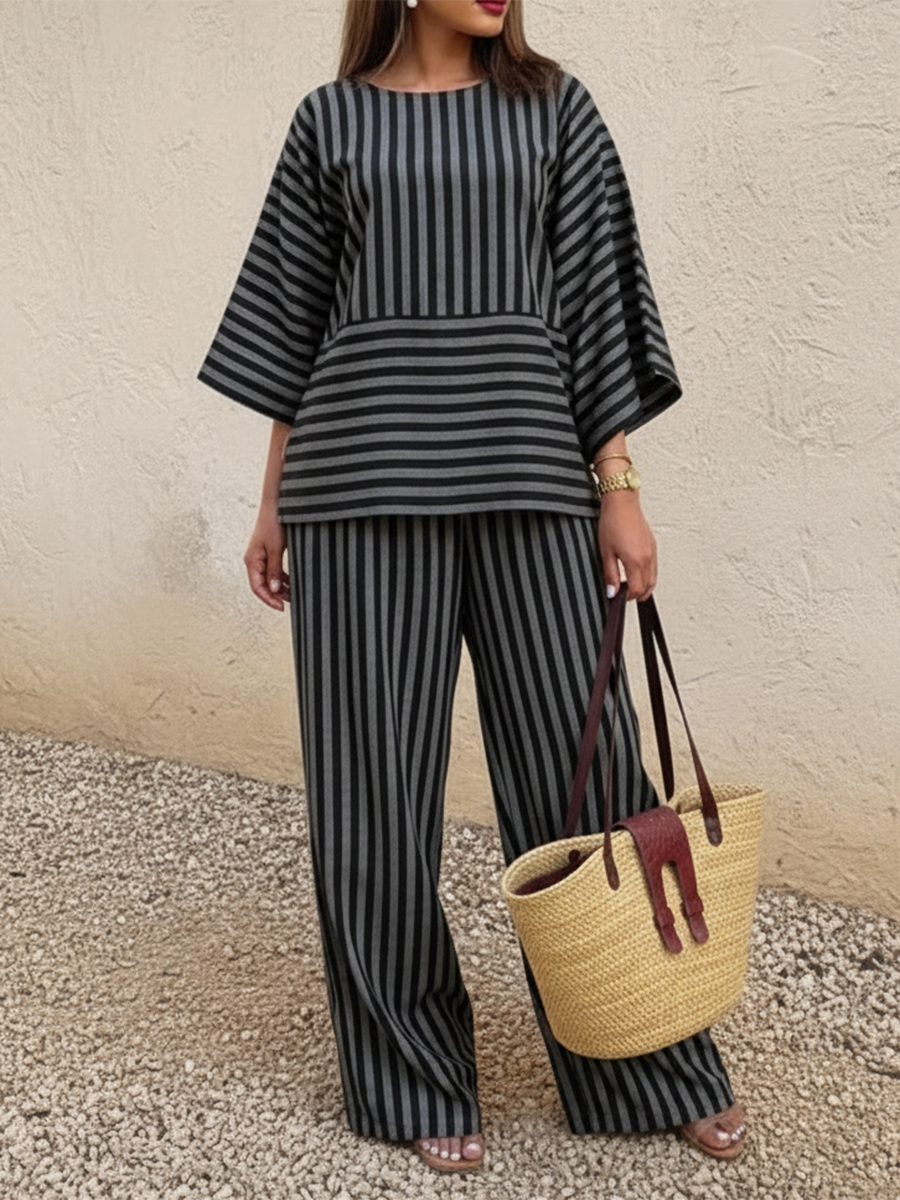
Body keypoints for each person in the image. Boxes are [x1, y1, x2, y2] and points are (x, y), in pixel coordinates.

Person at [198, 0, 747, 1174]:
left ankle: (649, 1058)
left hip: (533, 481)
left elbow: (594, 307)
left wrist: (619, 485)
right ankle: (411, 1075)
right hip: (355, 495)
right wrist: (271, 504)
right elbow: (294, 328)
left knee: (586, 774)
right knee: (371, 798)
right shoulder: (331, 121)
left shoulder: (556, 112)